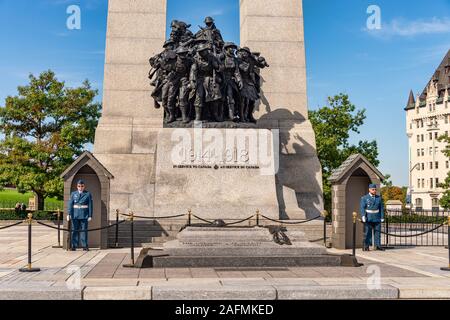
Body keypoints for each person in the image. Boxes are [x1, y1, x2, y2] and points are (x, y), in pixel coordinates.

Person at [67, 180, 93, 251]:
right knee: (74, 230)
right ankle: (74, 246)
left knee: (84, 231)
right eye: (79, 186)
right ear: (77, 186)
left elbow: (90, 205)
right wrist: (69, 214)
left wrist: (90, 215)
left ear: (84, 186)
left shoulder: (88, 194)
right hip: (75, 215)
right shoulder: (73, 194)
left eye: (82, 186)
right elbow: (70, 204)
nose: (80, 187)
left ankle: (85, 246)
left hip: (84, 215)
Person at [360, 183, 385, 251]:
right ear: (369, 190)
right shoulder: (364, 198)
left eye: (375, 189)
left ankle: (378, 245)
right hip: (369, 217)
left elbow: (381, 208)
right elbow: (362, 208)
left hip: (377, 217)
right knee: (368, 232)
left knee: (378, 232)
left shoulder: (379, 198)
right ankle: (366, 245)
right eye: (373, 189)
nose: (374, 191)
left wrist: (382, 217)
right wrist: (363, 216)